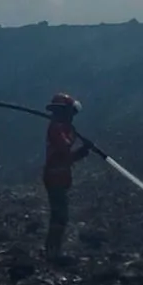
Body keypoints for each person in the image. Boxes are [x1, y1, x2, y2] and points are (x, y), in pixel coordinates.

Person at [43, 92, 90, 263]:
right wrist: (79, 144)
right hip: (55, 178)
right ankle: (52, 253)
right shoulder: (57, 129)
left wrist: (82, 151)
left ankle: (53, 251)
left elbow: (66, 157)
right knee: (59, 216)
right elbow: (65, 149)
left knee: (60, 216)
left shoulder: (61, 128)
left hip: (59, 178)